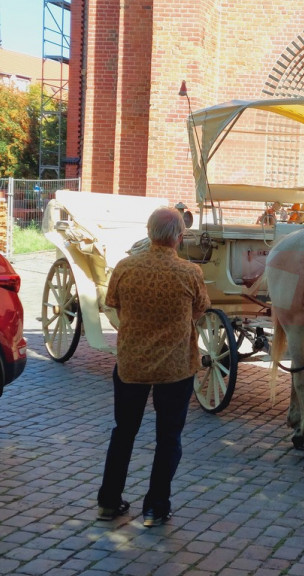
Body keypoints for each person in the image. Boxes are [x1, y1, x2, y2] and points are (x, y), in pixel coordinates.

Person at [97, 207, 210, 527]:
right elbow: (201, 310)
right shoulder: (190, 273)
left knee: (123, 433)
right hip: (174, 370)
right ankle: (155, 507)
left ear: (149, 233)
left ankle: (108, 501)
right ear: (178, 237)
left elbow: (113, 303)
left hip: (131, 365)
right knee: (168, 438)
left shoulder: (125, 268)